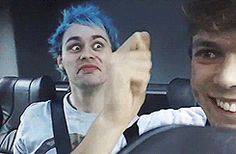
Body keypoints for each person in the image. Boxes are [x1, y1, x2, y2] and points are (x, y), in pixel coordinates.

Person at [13, 3, 205, 154]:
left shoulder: (145, 127)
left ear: (113, 56)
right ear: (60, 60)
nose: (86, 54)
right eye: (75, 47)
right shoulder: (35, 117)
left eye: (97, 46)